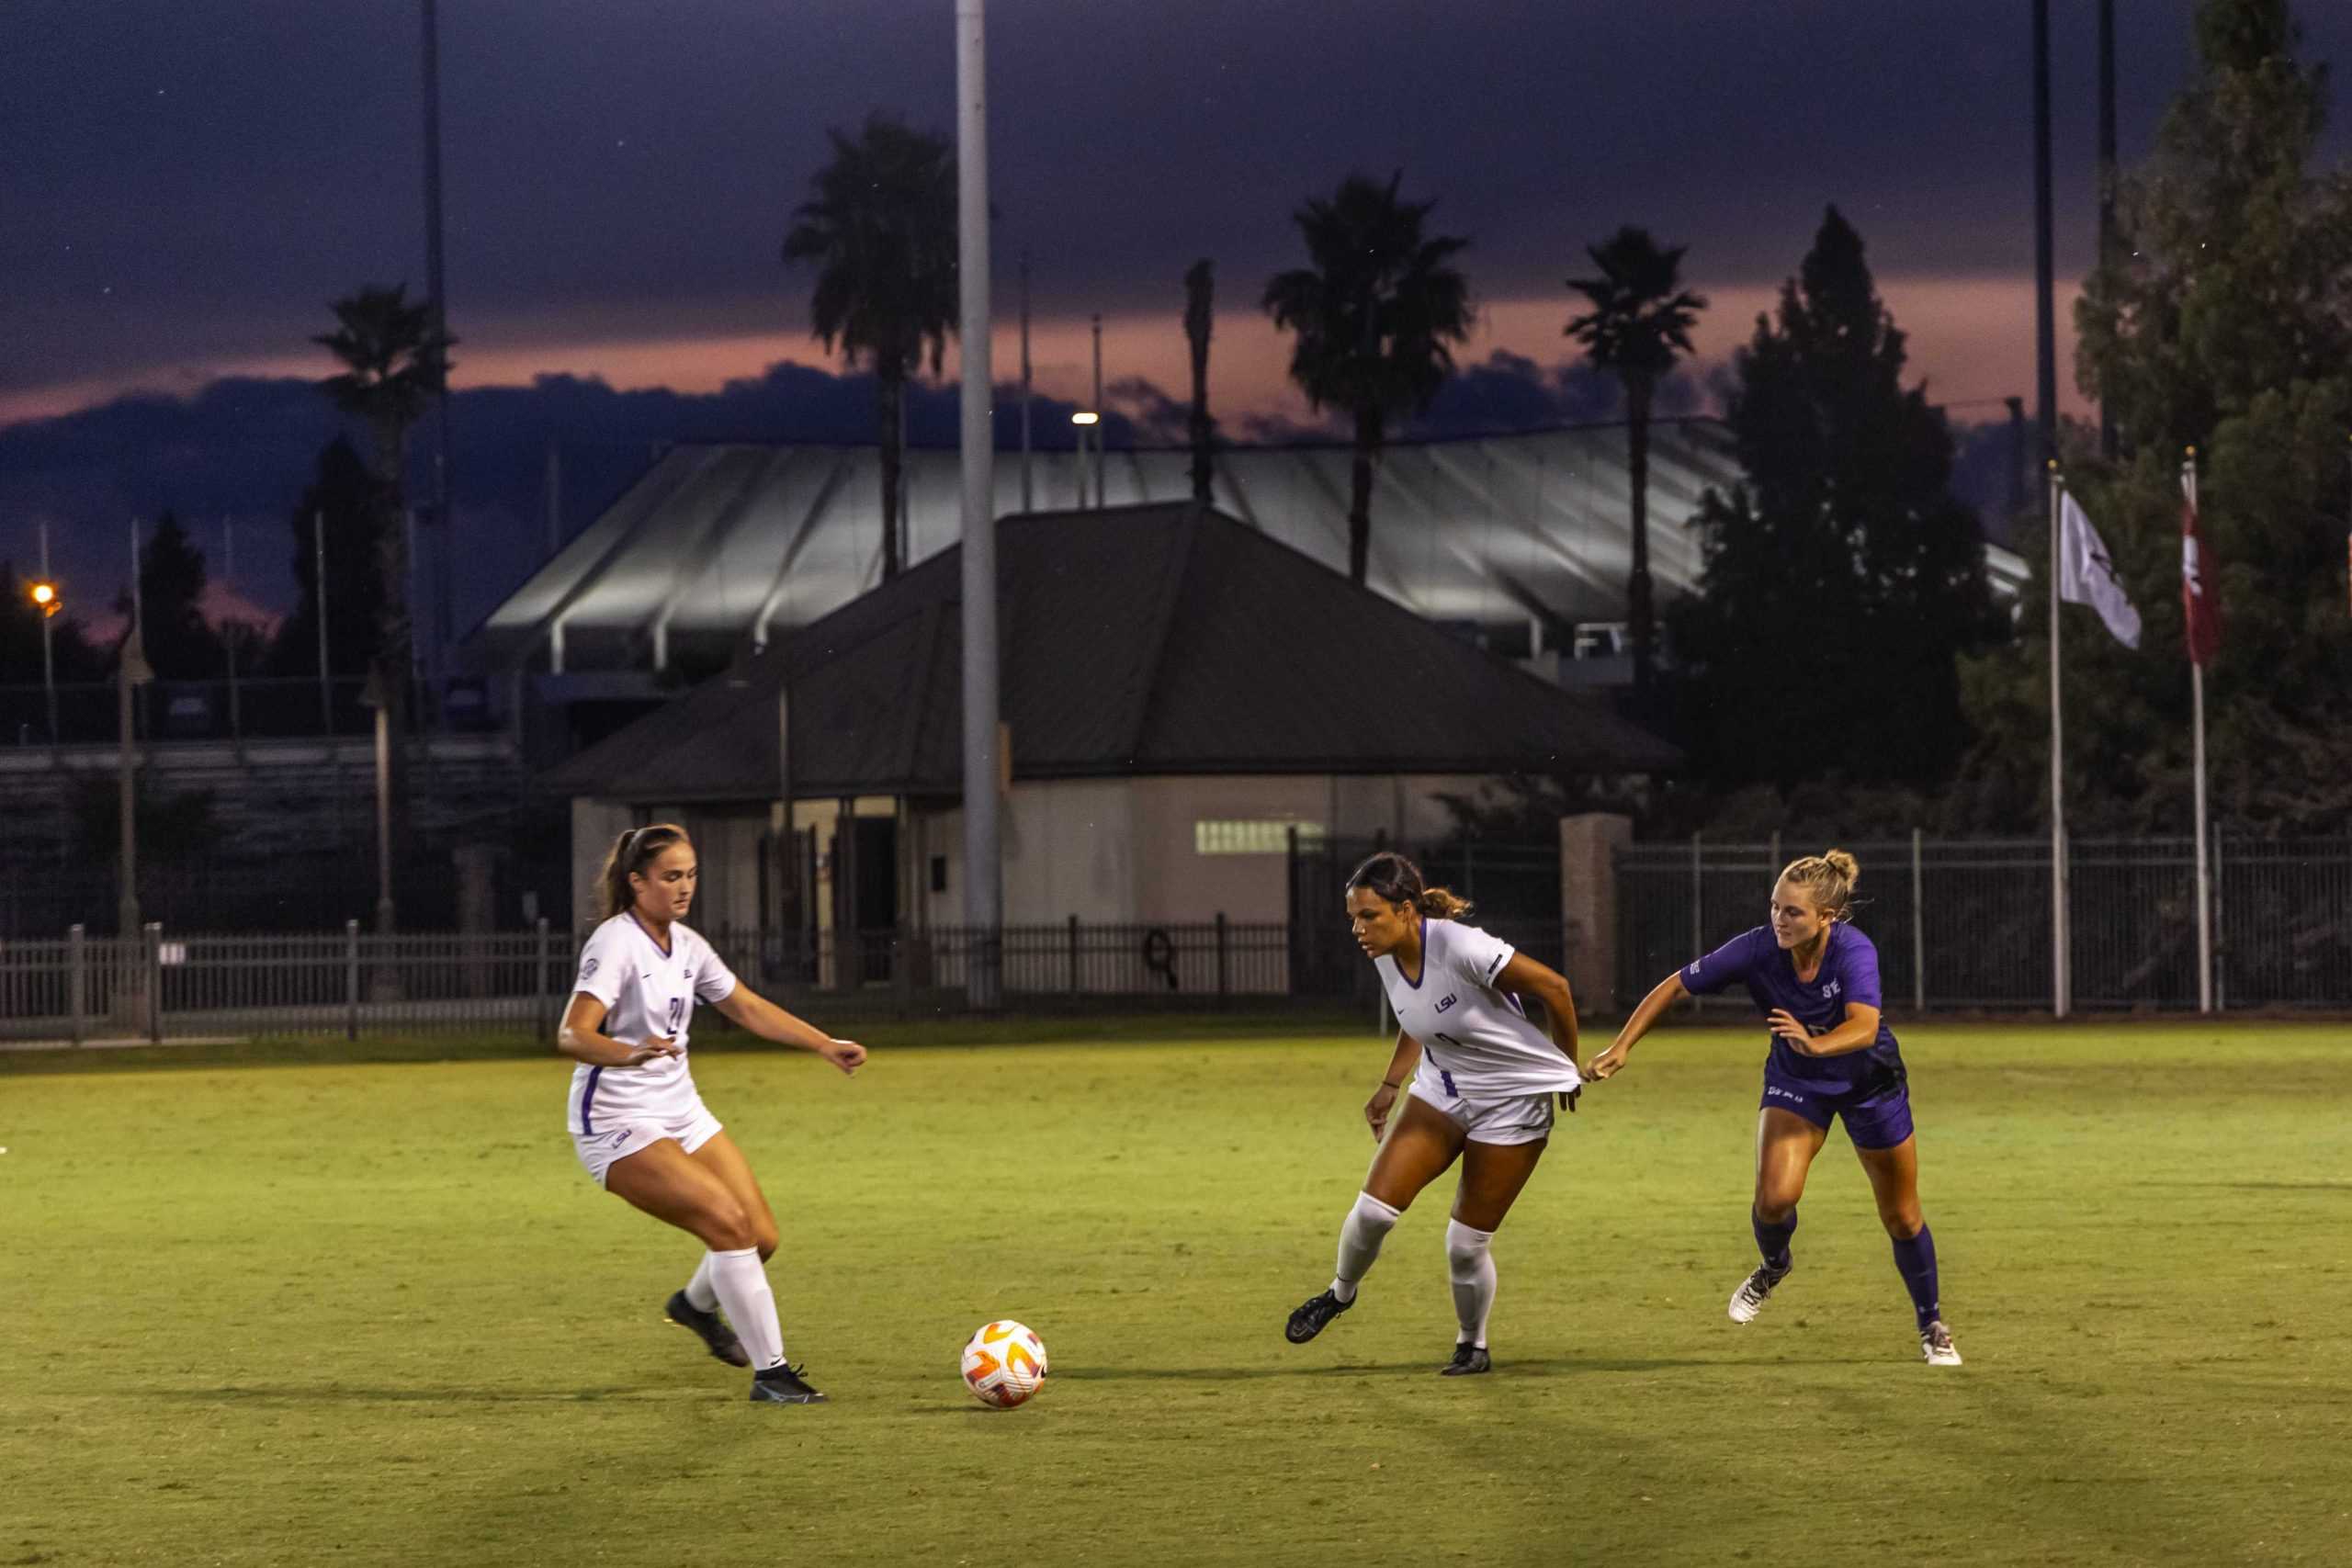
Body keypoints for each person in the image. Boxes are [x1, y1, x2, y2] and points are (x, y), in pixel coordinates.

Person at [1589, 849, 1961, 1366]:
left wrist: (1815, 1043)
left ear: (1826, 917)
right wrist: (1622, 1045)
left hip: (1868, 1083)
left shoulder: (1854, 951)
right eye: (1775, 907)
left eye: (1793, 912)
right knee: (1773, 1200)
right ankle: (1774, 1265)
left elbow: (1864, 1027)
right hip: (1797, 1082)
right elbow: (1675, 984)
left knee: (1901, 1216)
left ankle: (1932, 1324)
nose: (1779, 921)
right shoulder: (1758, 948)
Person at [557, 823, 869, 1404]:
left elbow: (746, 1007)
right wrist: (630, 1053)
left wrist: (824, 1044)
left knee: (762, 1237)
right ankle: (772, 1375)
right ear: (636, 882)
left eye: (691, 875)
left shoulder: (689, 945)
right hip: (619, 1123)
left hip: (682, 1111)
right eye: (671, 876)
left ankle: (693, 1306)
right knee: (729, 1227)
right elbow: (573, 1035)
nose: (684, 887)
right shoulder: (615, 942)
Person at [1284, 852, 1588, 1375]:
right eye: (1353, 917)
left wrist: (1562, 1065)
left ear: (1405, 910)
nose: (1358, 928)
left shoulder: (1463, 946)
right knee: (1374, 1212)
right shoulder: (1384, 950)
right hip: (1442, 1089)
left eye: (1369, 916)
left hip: (1510, 1102)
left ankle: (1473, 1344)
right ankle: (1339, 1294)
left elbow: (1555, 988)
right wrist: (1389, 1085)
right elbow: (1419, 1017)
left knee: (1465, 1245)